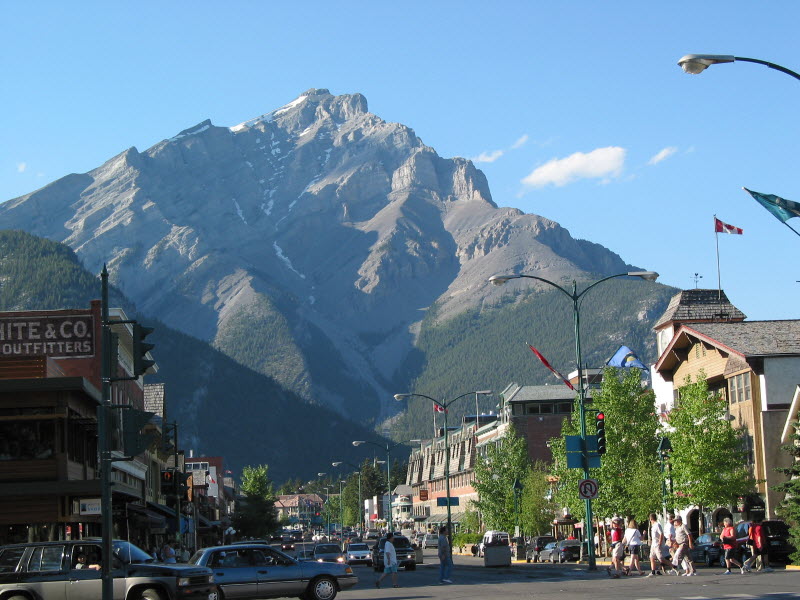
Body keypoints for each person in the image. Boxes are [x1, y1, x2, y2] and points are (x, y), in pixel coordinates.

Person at [647, 513, 677, 577]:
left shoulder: (657, 525)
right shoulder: (653, 526)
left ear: (651, 519)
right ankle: (653, 572)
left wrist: (660, 543)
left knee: (661, 559)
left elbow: (661, 534)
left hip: (657, 544)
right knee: (651, 558)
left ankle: (674, 566)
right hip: (653, 544)